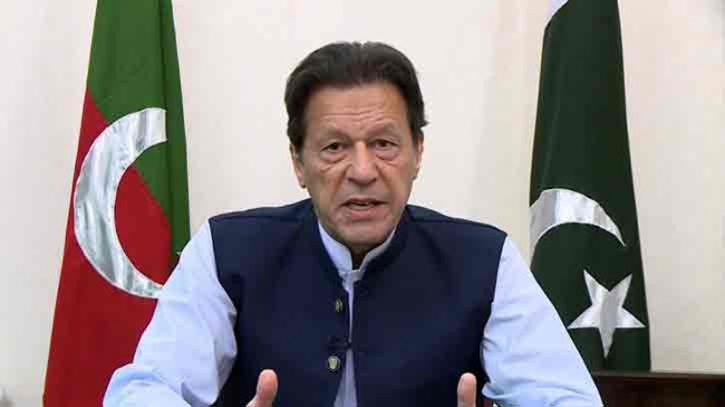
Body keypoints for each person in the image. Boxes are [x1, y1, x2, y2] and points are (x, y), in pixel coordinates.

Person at [104, 41, 602, 407]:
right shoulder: (225, 251)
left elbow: (567, 398)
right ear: (299, 163)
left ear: (418, 152)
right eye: (334, 147)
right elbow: (147, 388)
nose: (362, 171)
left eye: (384, 144)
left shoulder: (485, 261)